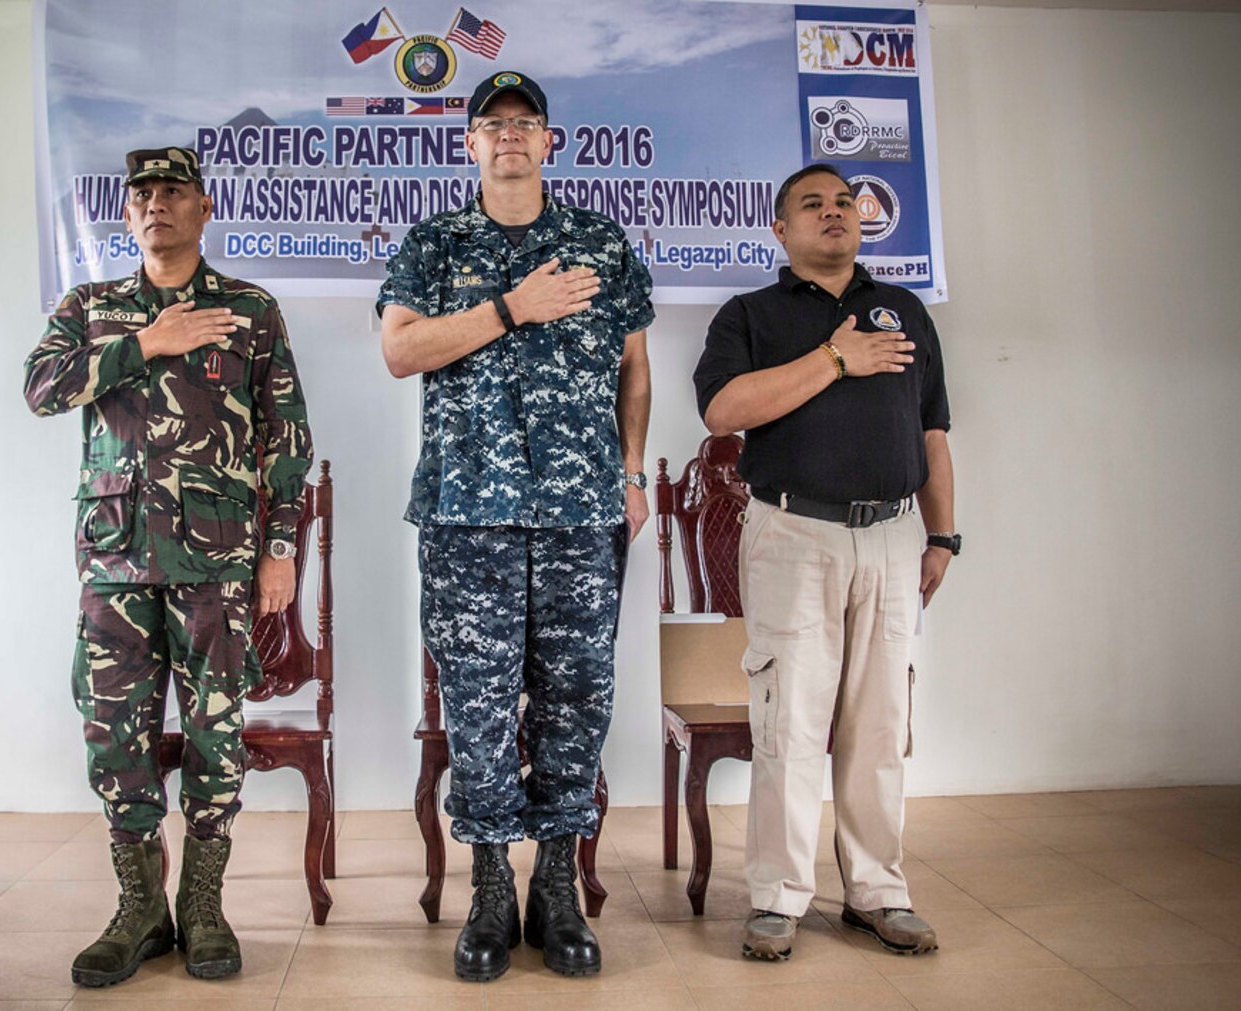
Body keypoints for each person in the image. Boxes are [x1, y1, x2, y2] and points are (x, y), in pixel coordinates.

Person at [377, 71, 653, 981]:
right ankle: (493, 884)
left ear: (549, 143)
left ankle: (559, 887)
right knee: (482, 705)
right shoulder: (436, 242)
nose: (506, 136)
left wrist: (630, 472)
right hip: (467, 516)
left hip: (581, 517)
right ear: (468, 145)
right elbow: (399, 350)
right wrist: (509, 308)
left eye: (523, 123)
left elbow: (634, 370)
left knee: (578, 698)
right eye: (490, 124)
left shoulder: (601, 243)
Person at [23, 146, 313, 985]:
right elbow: (41, 389)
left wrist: (282, 547)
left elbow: (284, 436)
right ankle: (139, 907)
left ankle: (202, 906)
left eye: (173, 191)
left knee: (217, 734)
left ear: (203, 207)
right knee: (117, 734)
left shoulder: (249, 310)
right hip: (115, 558)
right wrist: (145, 343)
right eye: (142, 194)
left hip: (218, 560)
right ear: (126, 215)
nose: (156, 205)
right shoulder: (90, 307)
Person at [693, 163, 957, 961]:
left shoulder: (902, 310)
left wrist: (943, 537)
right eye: (812, 204)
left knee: (879, 725)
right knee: (791, 723)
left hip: (891, 536)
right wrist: (836, 360)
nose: (834, 213)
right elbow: (722, 411)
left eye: (845, 202)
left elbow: (934, 431)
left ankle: (878, 891)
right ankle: (776, 898)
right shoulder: (751, 314)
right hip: (792, 534)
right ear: (780, 229)